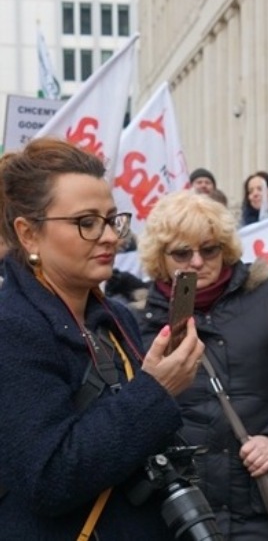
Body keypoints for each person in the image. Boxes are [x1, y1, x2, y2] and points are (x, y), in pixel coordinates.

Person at [0, 138, 205, 539]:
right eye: (87, 222)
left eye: (113, 219)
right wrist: (156, 391)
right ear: (29, 234)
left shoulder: (116, 317)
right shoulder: (13, 328)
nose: (110, 236)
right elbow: (49, 478)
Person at [136, 190, 268, 539]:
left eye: (209, 249)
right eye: (182, 252)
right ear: (160, 258)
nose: (196, 262)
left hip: (261, 502)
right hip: (178, 509)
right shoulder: (136, 320)